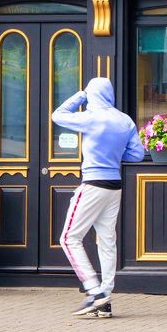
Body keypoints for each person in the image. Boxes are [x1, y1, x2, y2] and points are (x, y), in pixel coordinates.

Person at [52, 77, 146, 318]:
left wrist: (81, 95)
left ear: (93, 95)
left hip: (93, 183)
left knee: (69, 238)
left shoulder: (91, 117)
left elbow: (58, 115)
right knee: (107, 241)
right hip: (114, 185)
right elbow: (136, 155)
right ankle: (105, 300)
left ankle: (95, 292)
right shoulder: (124, 119)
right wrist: (114, 151)